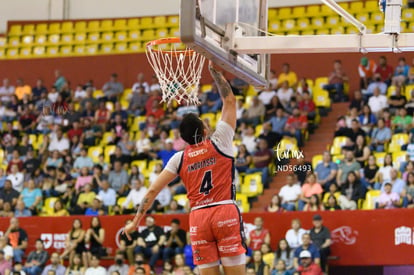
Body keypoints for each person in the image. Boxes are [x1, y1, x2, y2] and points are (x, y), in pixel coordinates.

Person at [123, 62, 246, 275]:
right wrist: (215, 72)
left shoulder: (178, 159)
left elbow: (152, 191)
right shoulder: (220, 141)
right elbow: (229, 100)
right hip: (224, 209)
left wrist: (135, 222)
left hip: (198, 217)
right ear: (205, 130)